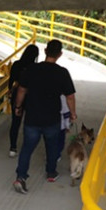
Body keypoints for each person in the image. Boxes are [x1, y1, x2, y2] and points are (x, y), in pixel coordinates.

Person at [12, 39, 76, 194]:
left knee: (27, 148)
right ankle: (51, 173)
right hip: (52, 118)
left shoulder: (32, 69)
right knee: (52, 146)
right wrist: (72, 113)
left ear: (45, 51)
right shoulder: (62, 72)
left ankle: (21, 177)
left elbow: (21, 90)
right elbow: (70, 96)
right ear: (60, 54)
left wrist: (18, 107)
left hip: (32, 117)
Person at [8, 44, 39, 157]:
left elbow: (11, 81)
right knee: (28, 123)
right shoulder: (35, 68)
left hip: (17, 95)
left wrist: (10, 93)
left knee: (15, 122)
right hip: (31, 96)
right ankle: (27, 147)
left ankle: (12, 147)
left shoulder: (16, 64)